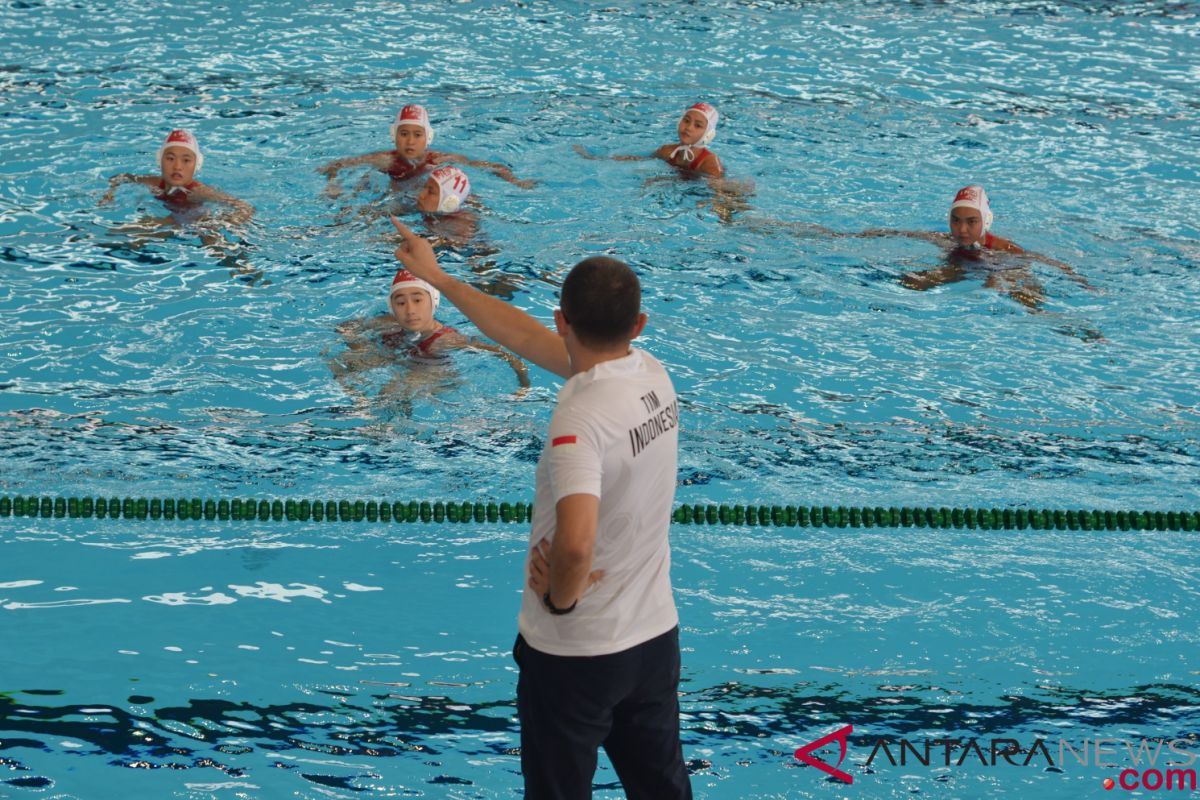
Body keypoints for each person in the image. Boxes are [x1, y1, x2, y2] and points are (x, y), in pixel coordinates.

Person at [389, 215, 691, 800]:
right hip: (653, 636)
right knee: (662, 789)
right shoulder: (651, 373)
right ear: (639, 324)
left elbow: (575, 544)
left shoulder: (579, 418)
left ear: (564, 320)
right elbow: (522, 337)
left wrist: (559, 598)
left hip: (579, 650)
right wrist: (442, 281)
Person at [861, 184, 1096, 310]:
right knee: (913, 282)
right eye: (956, 220)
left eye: (971, 221)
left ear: (986, 221)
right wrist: (875, 233)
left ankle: (1068, 325)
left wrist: (1079, 280)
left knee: (1023, 299)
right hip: (963, 268)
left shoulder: (1004, 247)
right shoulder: (946, 239)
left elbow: (1042, 260)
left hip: (1001, 270)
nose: (962, 229)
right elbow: (909, 234)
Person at [330, 267, 529, 396]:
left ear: (433, 302)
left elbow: (504, 354)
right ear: (392, 307)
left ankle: (385, 431)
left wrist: (523, 388)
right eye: (400, 302)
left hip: (435, 379)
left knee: (396, 386)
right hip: (401, 364)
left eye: (418, 300)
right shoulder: (387, 323)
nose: (410, 309)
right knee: (344, 358)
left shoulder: (445, 340)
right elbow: (344, 327)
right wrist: (366, 350)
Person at [318, 103, 536, 195]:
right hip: (396, 201)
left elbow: (489, 167)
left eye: (417, 135)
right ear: (394, 136)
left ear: (428, 138)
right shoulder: (385, 160)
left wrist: (516, 182)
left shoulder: (438, 159)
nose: (410, 142)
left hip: (424, 198)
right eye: (404, 134)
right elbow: (336, 165)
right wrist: (333, 185)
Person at [99, 129, 254, 226]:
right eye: (170, 158)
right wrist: (109, 194)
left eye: (186, 160)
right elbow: (121, 177)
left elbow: (246, 208)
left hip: (200, 225)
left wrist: (227, 222)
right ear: (160, 160)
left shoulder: (200, 191)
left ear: (196, 165)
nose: (177, 166)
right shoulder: (154, 182)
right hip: (173, 221)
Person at [575, 102, 724, 178]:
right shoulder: (667, 151)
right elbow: (637, 158)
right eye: (686, 120)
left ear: (708, 134)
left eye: (698, 126)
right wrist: (596, 158)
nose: (689, 127)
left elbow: (718, 188)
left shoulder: (709, 162)